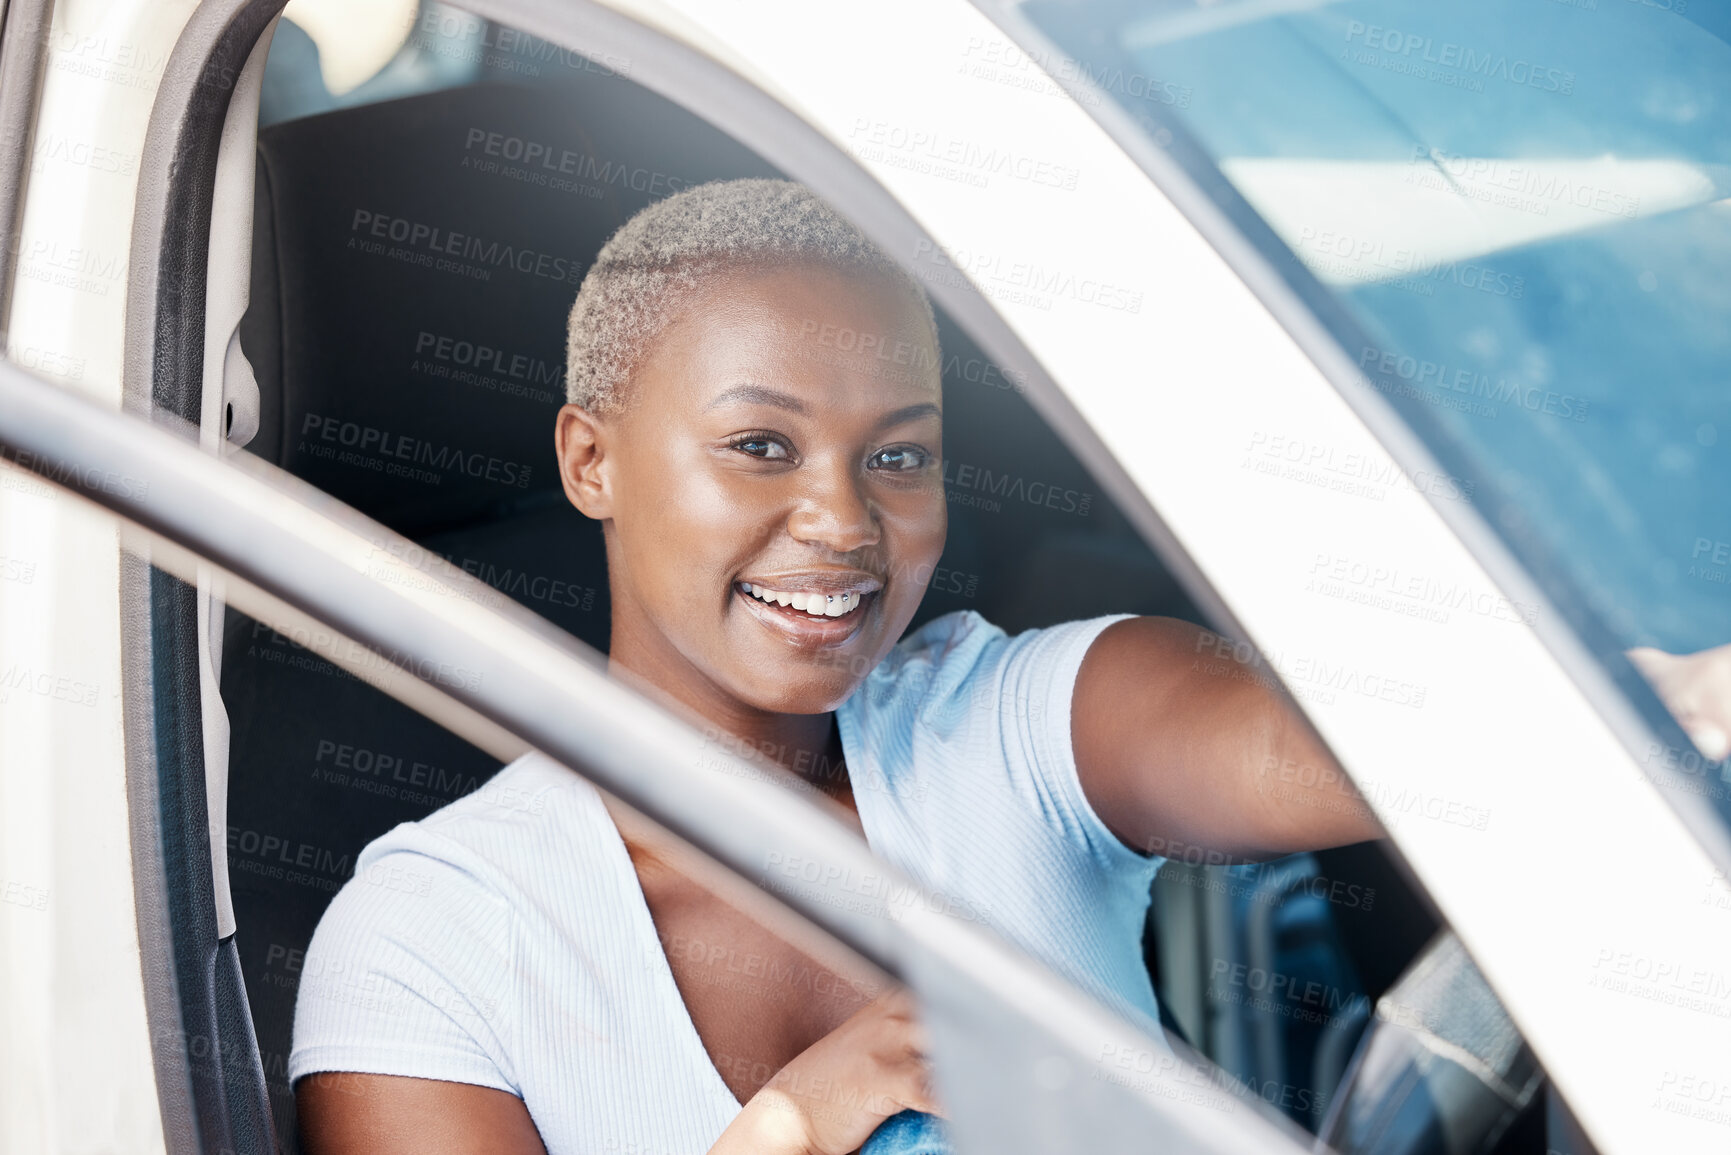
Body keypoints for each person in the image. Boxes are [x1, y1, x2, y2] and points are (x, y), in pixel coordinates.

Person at [288, 179, 1731, 1155]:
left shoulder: (1002, 725)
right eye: (761, 446)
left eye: (899, 455)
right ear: (590, 459)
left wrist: (1617, 708)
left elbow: (1305, 748)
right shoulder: (435, 944)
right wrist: (803, 1118)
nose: (844, 522)